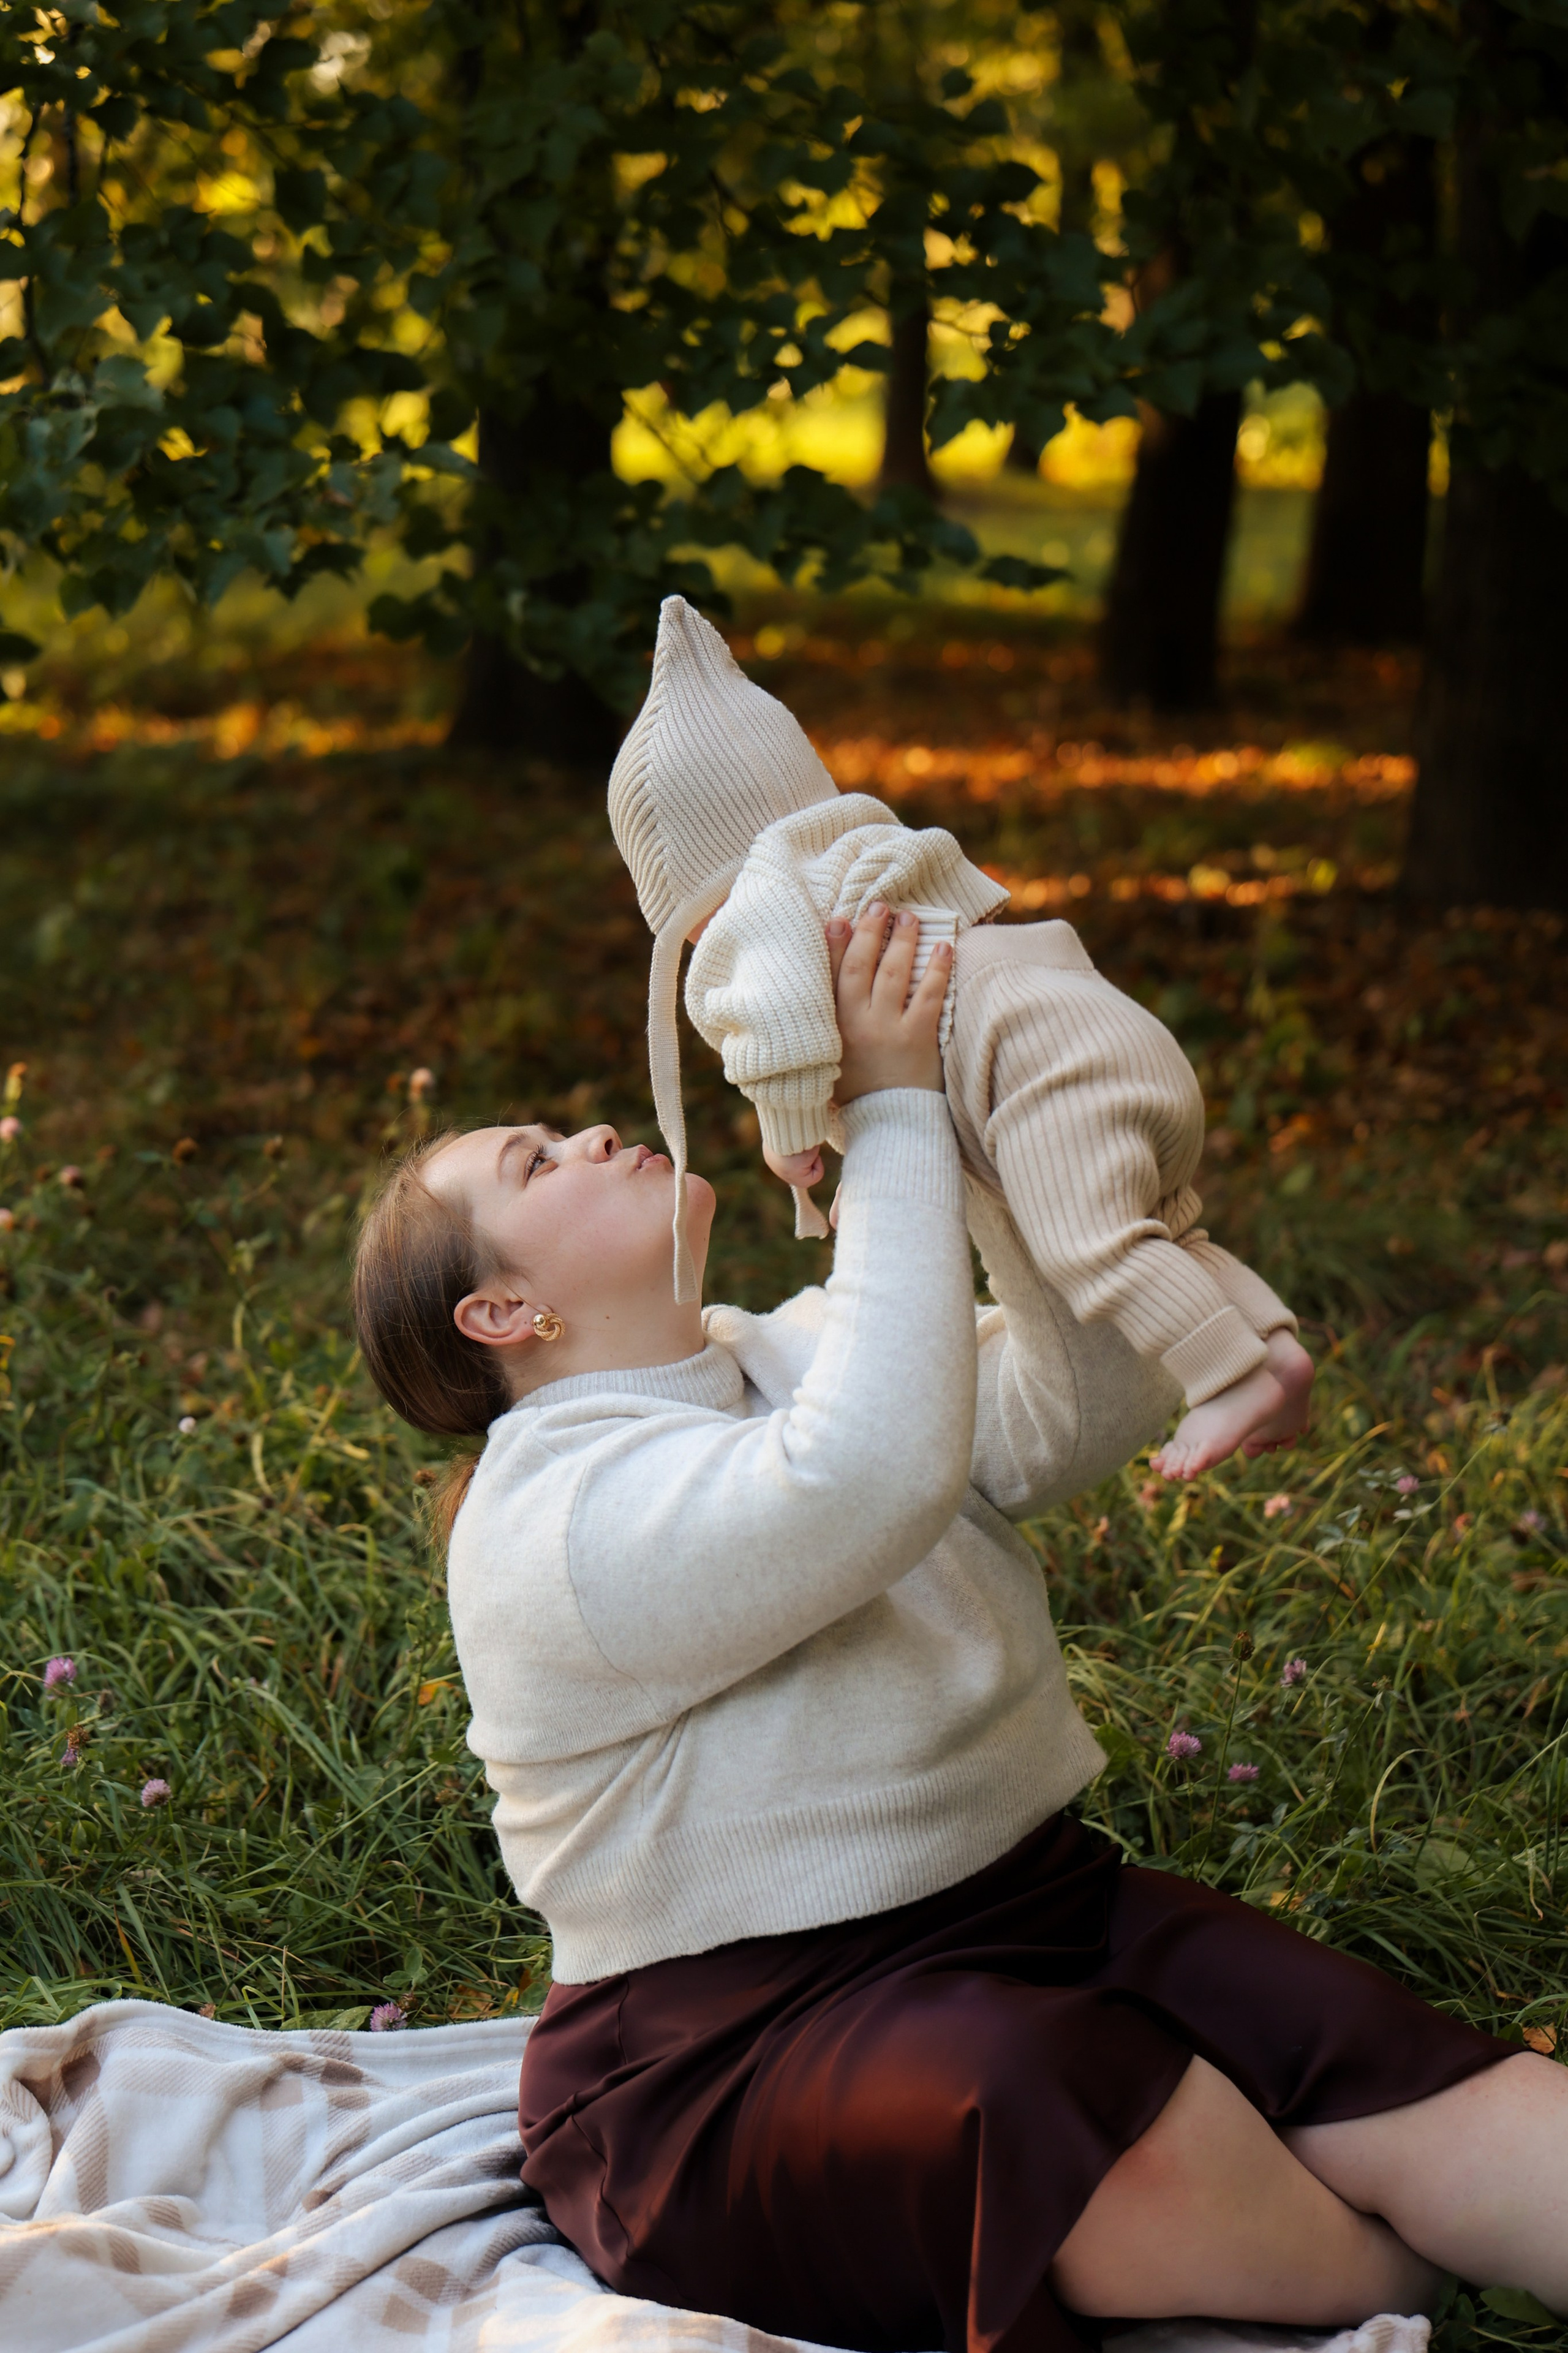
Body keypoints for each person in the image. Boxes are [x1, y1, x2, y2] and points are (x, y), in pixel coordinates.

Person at [352, 907, 1568, 2353]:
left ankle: (1299, 2225)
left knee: (1413, 2075)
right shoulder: (552, 1523)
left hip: (1037, 1909)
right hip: (727, 2056)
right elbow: (863, 1478)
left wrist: (998, 1132)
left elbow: (1070, 1407)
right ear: (503, 1312)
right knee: (1040, 2082)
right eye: (535, 1162)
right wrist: (892, 1119)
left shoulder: (795, 1348)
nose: (595, 1133)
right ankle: (1372, 2274)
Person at [606, 597, 1314, 1483]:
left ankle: (1228, 1376)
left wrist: (788, 1135)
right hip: (1088, 1015)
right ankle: (1272, 1349)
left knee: (1089, 1243)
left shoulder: (759, 905)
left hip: (1028, 1060)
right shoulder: (865, 845)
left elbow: (779, 1024)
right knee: (1154, 1222)